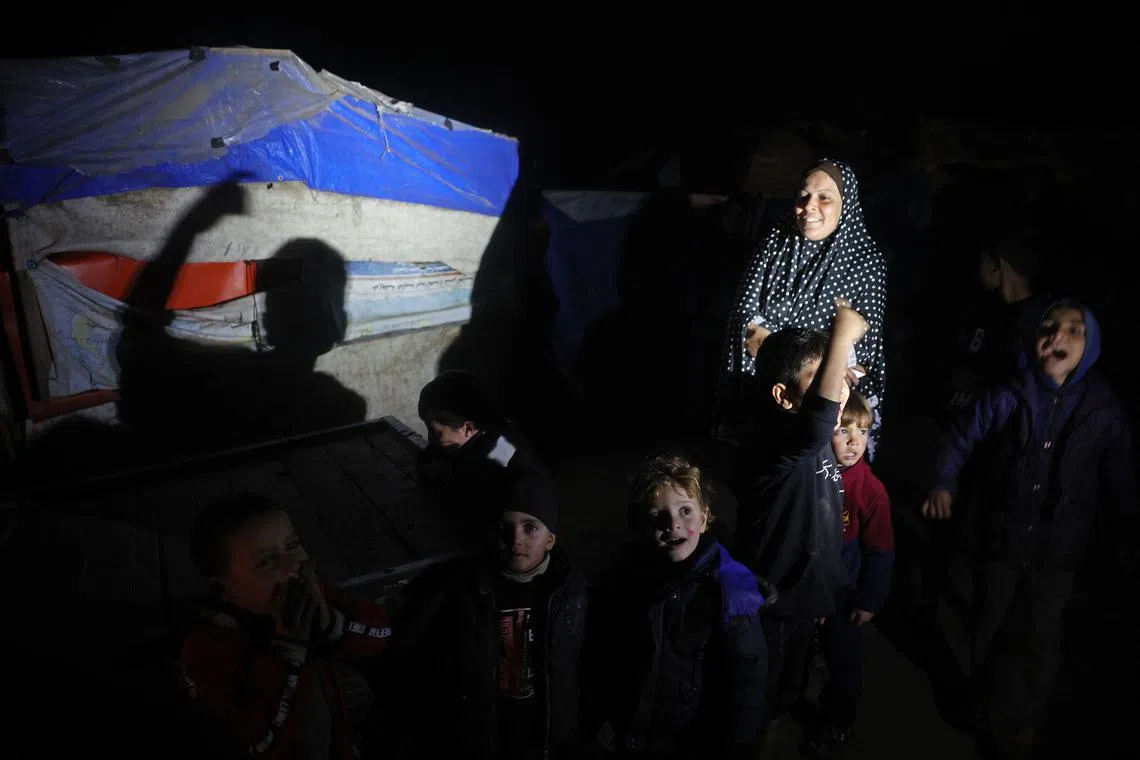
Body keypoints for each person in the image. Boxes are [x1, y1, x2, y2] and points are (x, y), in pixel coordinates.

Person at [922, 299, 1135, 757]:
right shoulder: (1010, 393)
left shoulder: (1104, 410)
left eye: (1074, 330)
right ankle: (980, 703)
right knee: (989, 621)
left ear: (1093, 345)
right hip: (1003, 537)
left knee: (1041, 636)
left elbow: (1121, 478)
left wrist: (1124, 534)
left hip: (1060, 552)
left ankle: (1026, 718)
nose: (1057, 336)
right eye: (1049, 327)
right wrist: (943, 481)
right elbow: (962, 436)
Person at [380, 465, 587, 759]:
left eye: (530, 527)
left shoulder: (571, 591)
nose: (516, 539)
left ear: (551, 538)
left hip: (545, 737)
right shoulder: (459, 588)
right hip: (481, 738)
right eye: (505, 527)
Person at [732, 298, 868, 732]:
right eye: (823, 374)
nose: (839, 390)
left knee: (791, 683)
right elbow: (816, 420)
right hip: (773, 597)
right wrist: (842, 336)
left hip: (809, 597)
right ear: (783, 396)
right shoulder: (773, 442)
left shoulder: (817, 436)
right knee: (759, 694)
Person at [177, 492, 392, 759]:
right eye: (266, 561)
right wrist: (288, 653)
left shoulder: (315, 597)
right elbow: (249, 743)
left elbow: (382, 633)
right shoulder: (207, 651)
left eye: (292, 546)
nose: (293, 565)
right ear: (224, 588)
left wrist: (331, 625)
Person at [583, 453, 767, 759]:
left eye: (685, 511)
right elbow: (604, 651)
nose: (673, 525)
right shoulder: (625, 573)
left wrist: (739, 746)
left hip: (692, 738)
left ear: (705, 517)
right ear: (640, 525)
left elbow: (748, 674)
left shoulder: (733, 588)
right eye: (658, 516)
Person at [719, 159, 887, 456]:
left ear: (845, 204)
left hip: (825, 394)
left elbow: (865, 354)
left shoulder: (867, 262)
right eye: (803, 195)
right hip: (768, 385)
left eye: (824, 197)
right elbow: (743, 314)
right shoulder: (777, 242)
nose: (809, 206)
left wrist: (808, 375)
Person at [800, 391, 895, 758]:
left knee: (844, 660)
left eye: (864, 432)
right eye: (843, 430)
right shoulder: (810, 471)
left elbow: (881, 550)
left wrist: (869, 600)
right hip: (808, 581)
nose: (855, 442)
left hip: (844, 590)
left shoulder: (872, 491)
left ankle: (837, 723)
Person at [415, 369, 538, 528]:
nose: (430, 437)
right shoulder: (480, 435)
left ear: (468, 428)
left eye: (435, 431)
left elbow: (465, 496)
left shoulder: (498, 454)